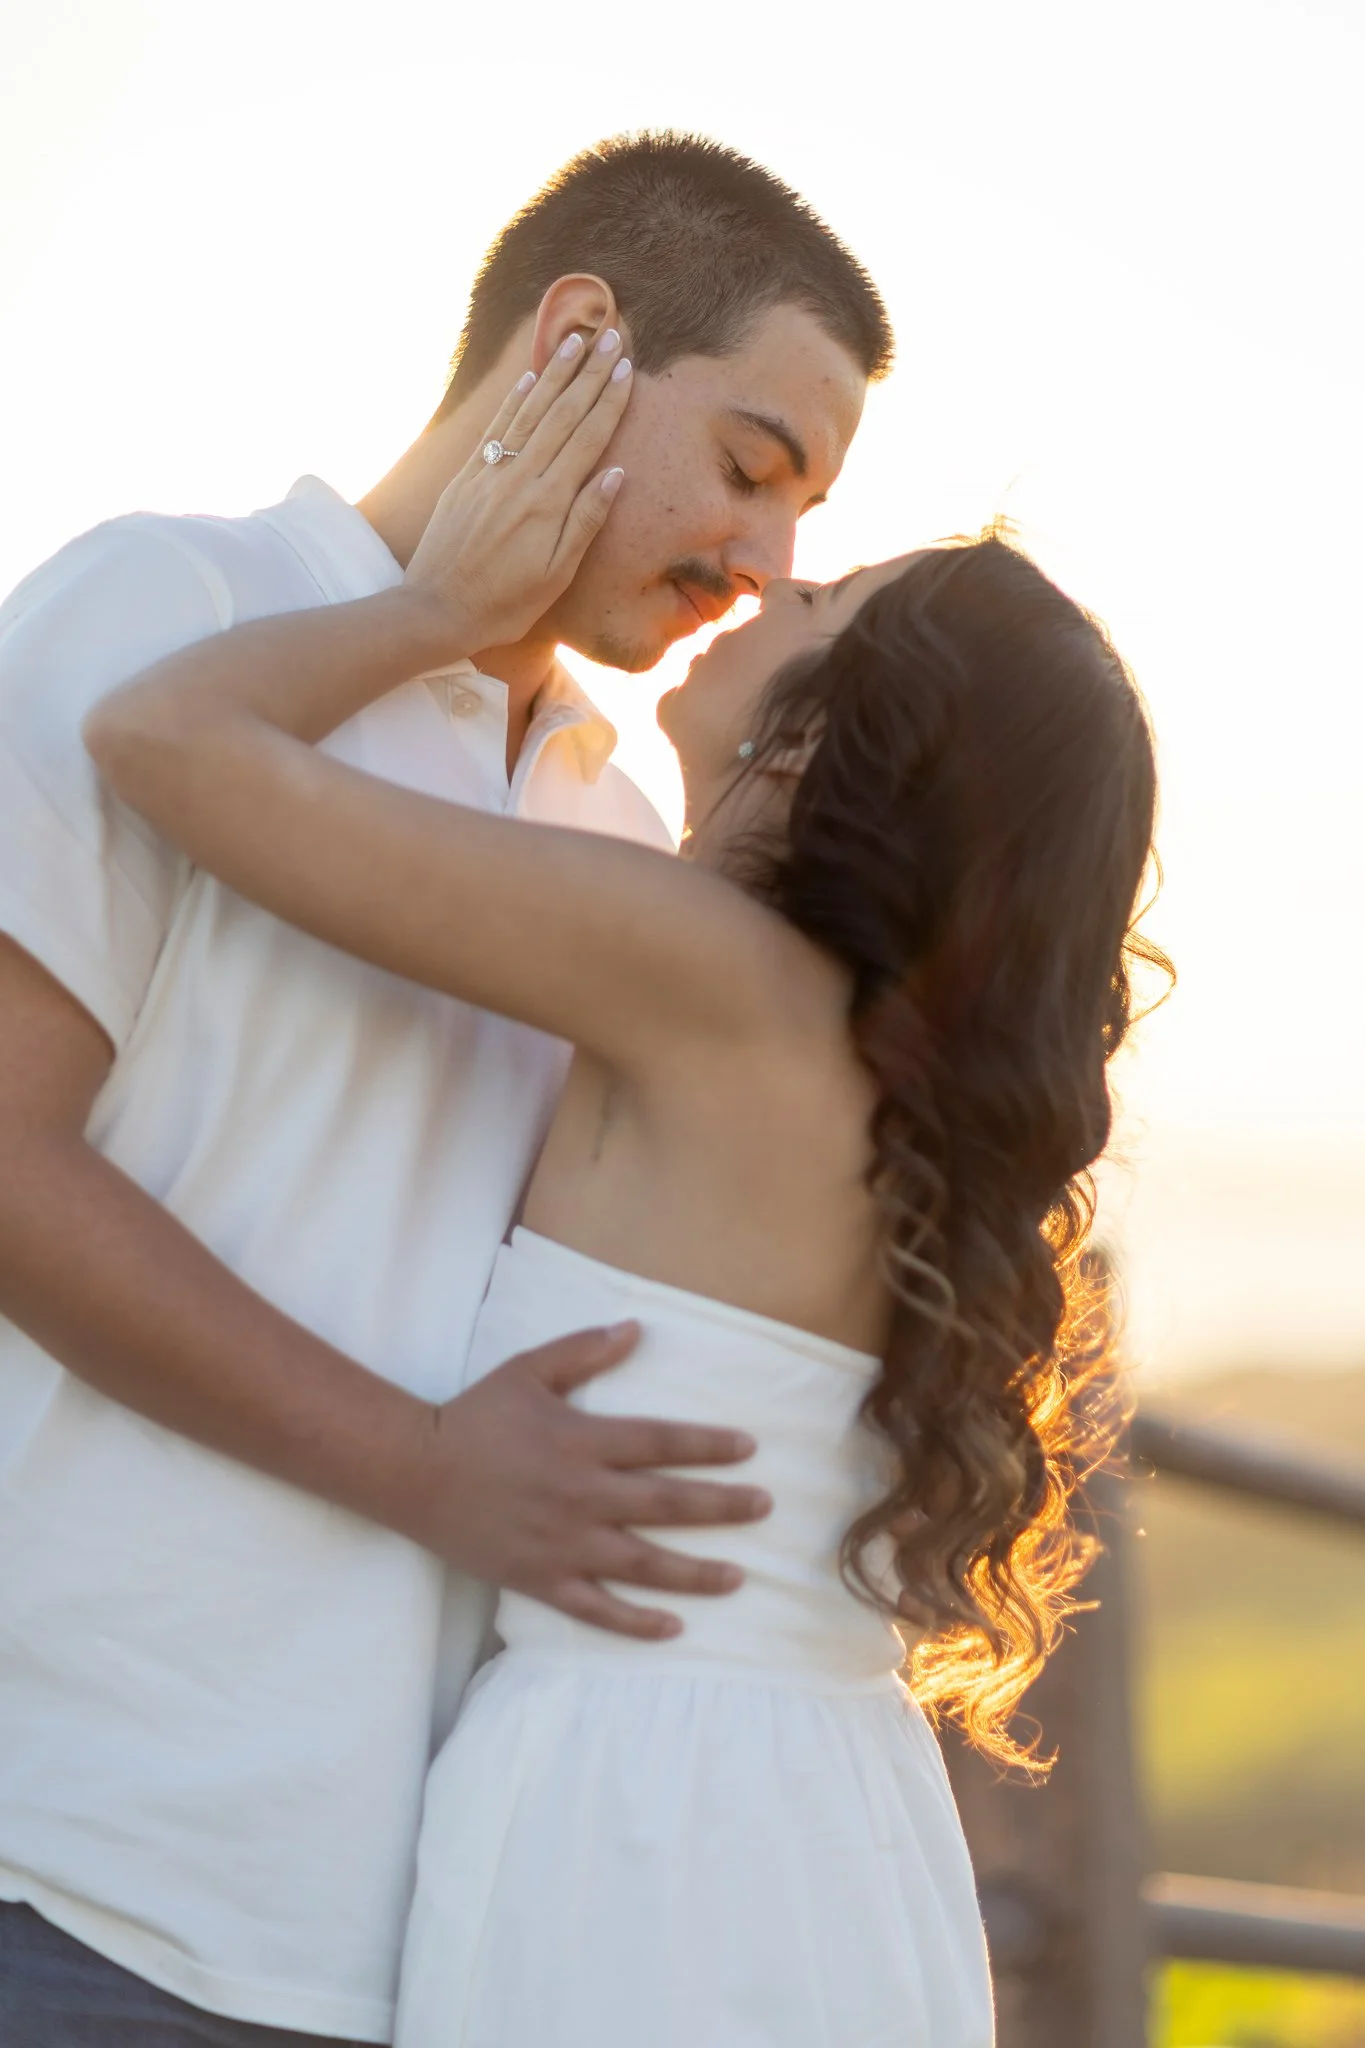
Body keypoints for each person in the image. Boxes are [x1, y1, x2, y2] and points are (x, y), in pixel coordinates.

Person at [84, 329, 1165, 2047]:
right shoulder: (862, 1066)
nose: (773, 581)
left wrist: (436, 610)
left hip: (649, 1811)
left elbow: (160, 736)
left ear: (847, 737)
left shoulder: (703, 968)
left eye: (829, 601)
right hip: (825, 1809)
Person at [0, 134, 893, 2047]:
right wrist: (423, 1466)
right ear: (575, 341)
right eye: (752, 466)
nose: (765, 565)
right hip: (71, 1855)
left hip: (417, 1930)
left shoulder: (625, 826)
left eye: (807, 516)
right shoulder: (166, 603)